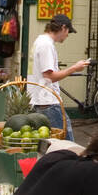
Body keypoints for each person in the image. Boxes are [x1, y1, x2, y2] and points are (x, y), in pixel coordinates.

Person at [27, 13, 89, 142]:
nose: (67, 35)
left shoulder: (40, 41)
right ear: (63, 28)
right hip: (48, 101)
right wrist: (74, 68)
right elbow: (49, 76)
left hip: (40, 100)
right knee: (66, 144)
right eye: (68, 32)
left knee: (48, 144)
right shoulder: (46, 45)